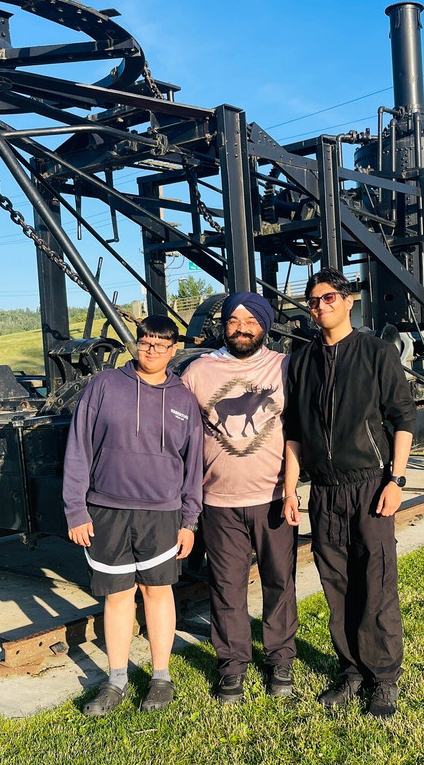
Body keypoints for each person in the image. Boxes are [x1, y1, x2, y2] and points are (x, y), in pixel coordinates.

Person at [283, 268, 416, 718]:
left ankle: (383, 678)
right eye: (314, 300)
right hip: (324, 491)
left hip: (369, 487)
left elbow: (402, 418)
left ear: (349, 300)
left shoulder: (376, 352)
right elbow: (294, 433)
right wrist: (289, 490)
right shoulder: (301, 361)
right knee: (336, 584)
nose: (321, 306)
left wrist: (396, 481)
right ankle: (352, 671)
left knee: (375, 583)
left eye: (329, 298)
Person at [62, 314, 202, 716]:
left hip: (162, 514)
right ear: (135, 344)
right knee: (118, 597)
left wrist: (189, 520)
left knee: (158, 593)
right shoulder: (104, 386)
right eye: (145, 343)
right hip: (106, 510)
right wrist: (75, 509)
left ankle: (161, 677)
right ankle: (116, 680)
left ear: (174, 350)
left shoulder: (183, 399)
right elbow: (78, 449)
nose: (151, 351)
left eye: (161, 345)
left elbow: (195, 465)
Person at [181, 292, 297, 703]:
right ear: (224, 326)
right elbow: (179, 429)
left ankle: (280, 659)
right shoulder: (198, 371)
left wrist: (292, 489)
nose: (241, 326)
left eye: (250, 320)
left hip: (271, 498)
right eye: (233, 320)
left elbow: (299, 430)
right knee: (226, 587)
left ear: (264, 325)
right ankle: (232, 666)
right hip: (218, 502)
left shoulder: (285, 366)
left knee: (279, 582)